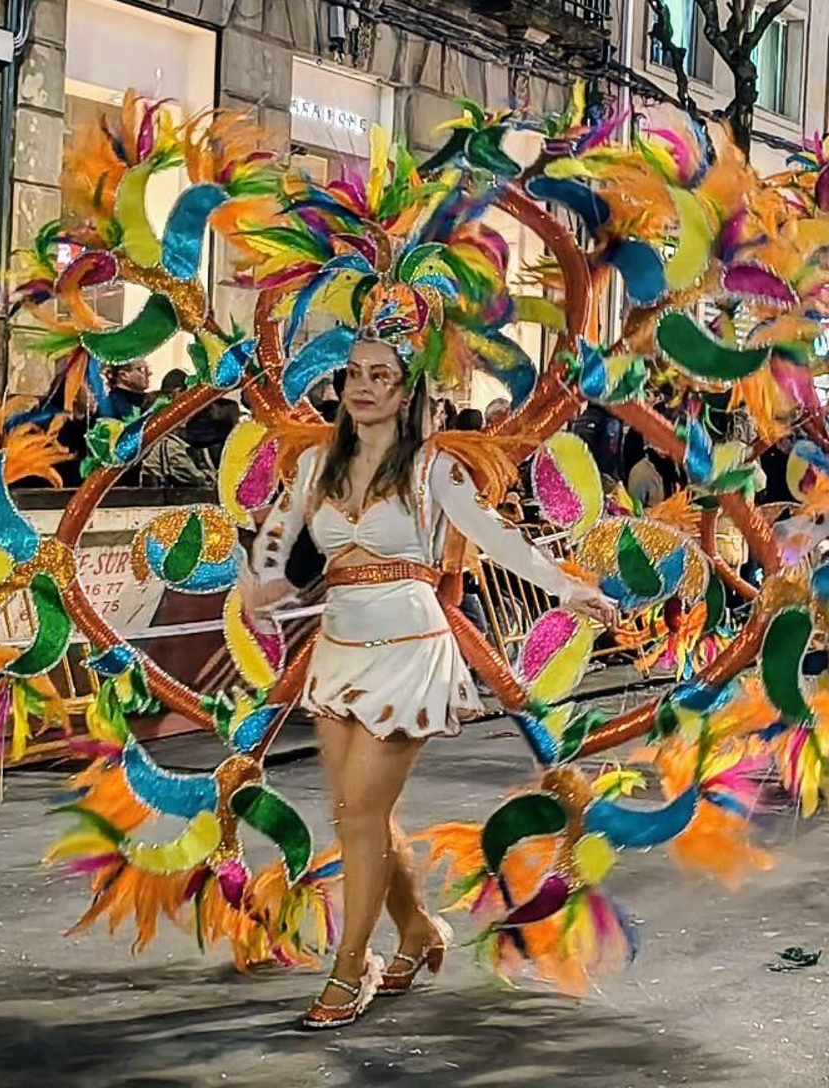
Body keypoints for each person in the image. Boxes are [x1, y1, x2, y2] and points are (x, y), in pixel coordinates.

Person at [240, 335, 615, 1029]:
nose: (363, 385)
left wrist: (566, 587)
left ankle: (351, 966)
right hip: (339, 646)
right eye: (354, 373)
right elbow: (276, 533)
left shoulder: (433, 467)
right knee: (362, 816)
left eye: (380, 375)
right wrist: (262, 581)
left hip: (411, 645)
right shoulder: (318, 461)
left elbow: (498, 536)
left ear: (407, 391)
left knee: (358, 813)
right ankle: (417, 930)